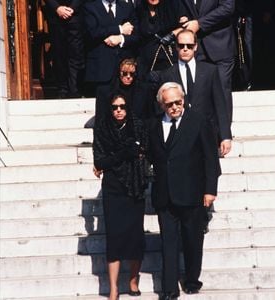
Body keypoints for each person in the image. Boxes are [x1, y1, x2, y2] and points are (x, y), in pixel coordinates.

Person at [148, 82, 221, 300]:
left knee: (192, 239)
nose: (174, 107)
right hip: (164, 194)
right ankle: (169, 289)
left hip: (192, 192)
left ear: (184, 99)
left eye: (178, 102)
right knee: (167, 243)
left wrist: (210, 190)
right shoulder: (153, 125)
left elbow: (210, 158)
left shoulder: (198, 121)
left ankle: (191, 280)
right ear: (162, 104)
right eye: (169, 104)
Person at [92, 94, 149, 299]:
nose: (118, 110)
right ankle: (114, 287)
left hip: (134, 186)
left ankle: (133, 280)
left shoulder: (138, 126)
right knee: (114, 237)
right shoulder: (103, 130)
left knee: (135, 236)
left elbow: (145, 151)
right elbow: (100, 162)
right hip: (113, 188)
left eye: (122, 106)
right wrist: (124, 153)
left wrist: (131, 154)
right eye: (115, 107)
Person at [159, 29, 232, 156]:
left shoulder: (210, 71)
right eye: (181, 46)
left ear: (195, 46)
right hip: (179, 135)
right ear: (176, 47)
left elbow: (220, 104)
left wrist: (225, 136)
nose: (185, 49)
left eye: (189, 45)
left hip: (207, 133)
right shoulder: (167, 74)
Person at [180, 0, 236, 124]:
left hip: (220, 45)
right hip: (196, 48)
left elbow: (227, 8)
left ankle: (223, 134)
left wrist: (200, 24)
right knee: (198, 92)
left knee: (221, 90)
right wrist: (182, 19)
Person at [83, 0, 139, 121]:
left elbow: (136, 34)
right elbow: (92, 32)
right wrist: (119, 29)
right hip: (102, 69)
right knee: (104, 114)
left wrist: (121, 38)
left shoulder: (126, 7)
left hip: (124, 69)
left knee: (127, 111)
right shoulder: (90, 7)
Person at [44, 0, 84, 98]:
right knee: (59, 54)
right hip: (55, 18)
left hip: (76, 17)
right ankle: (62, 89)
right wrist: (57, 8)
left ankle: (74, 88)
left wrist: (73, 8)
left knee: (76, 54)